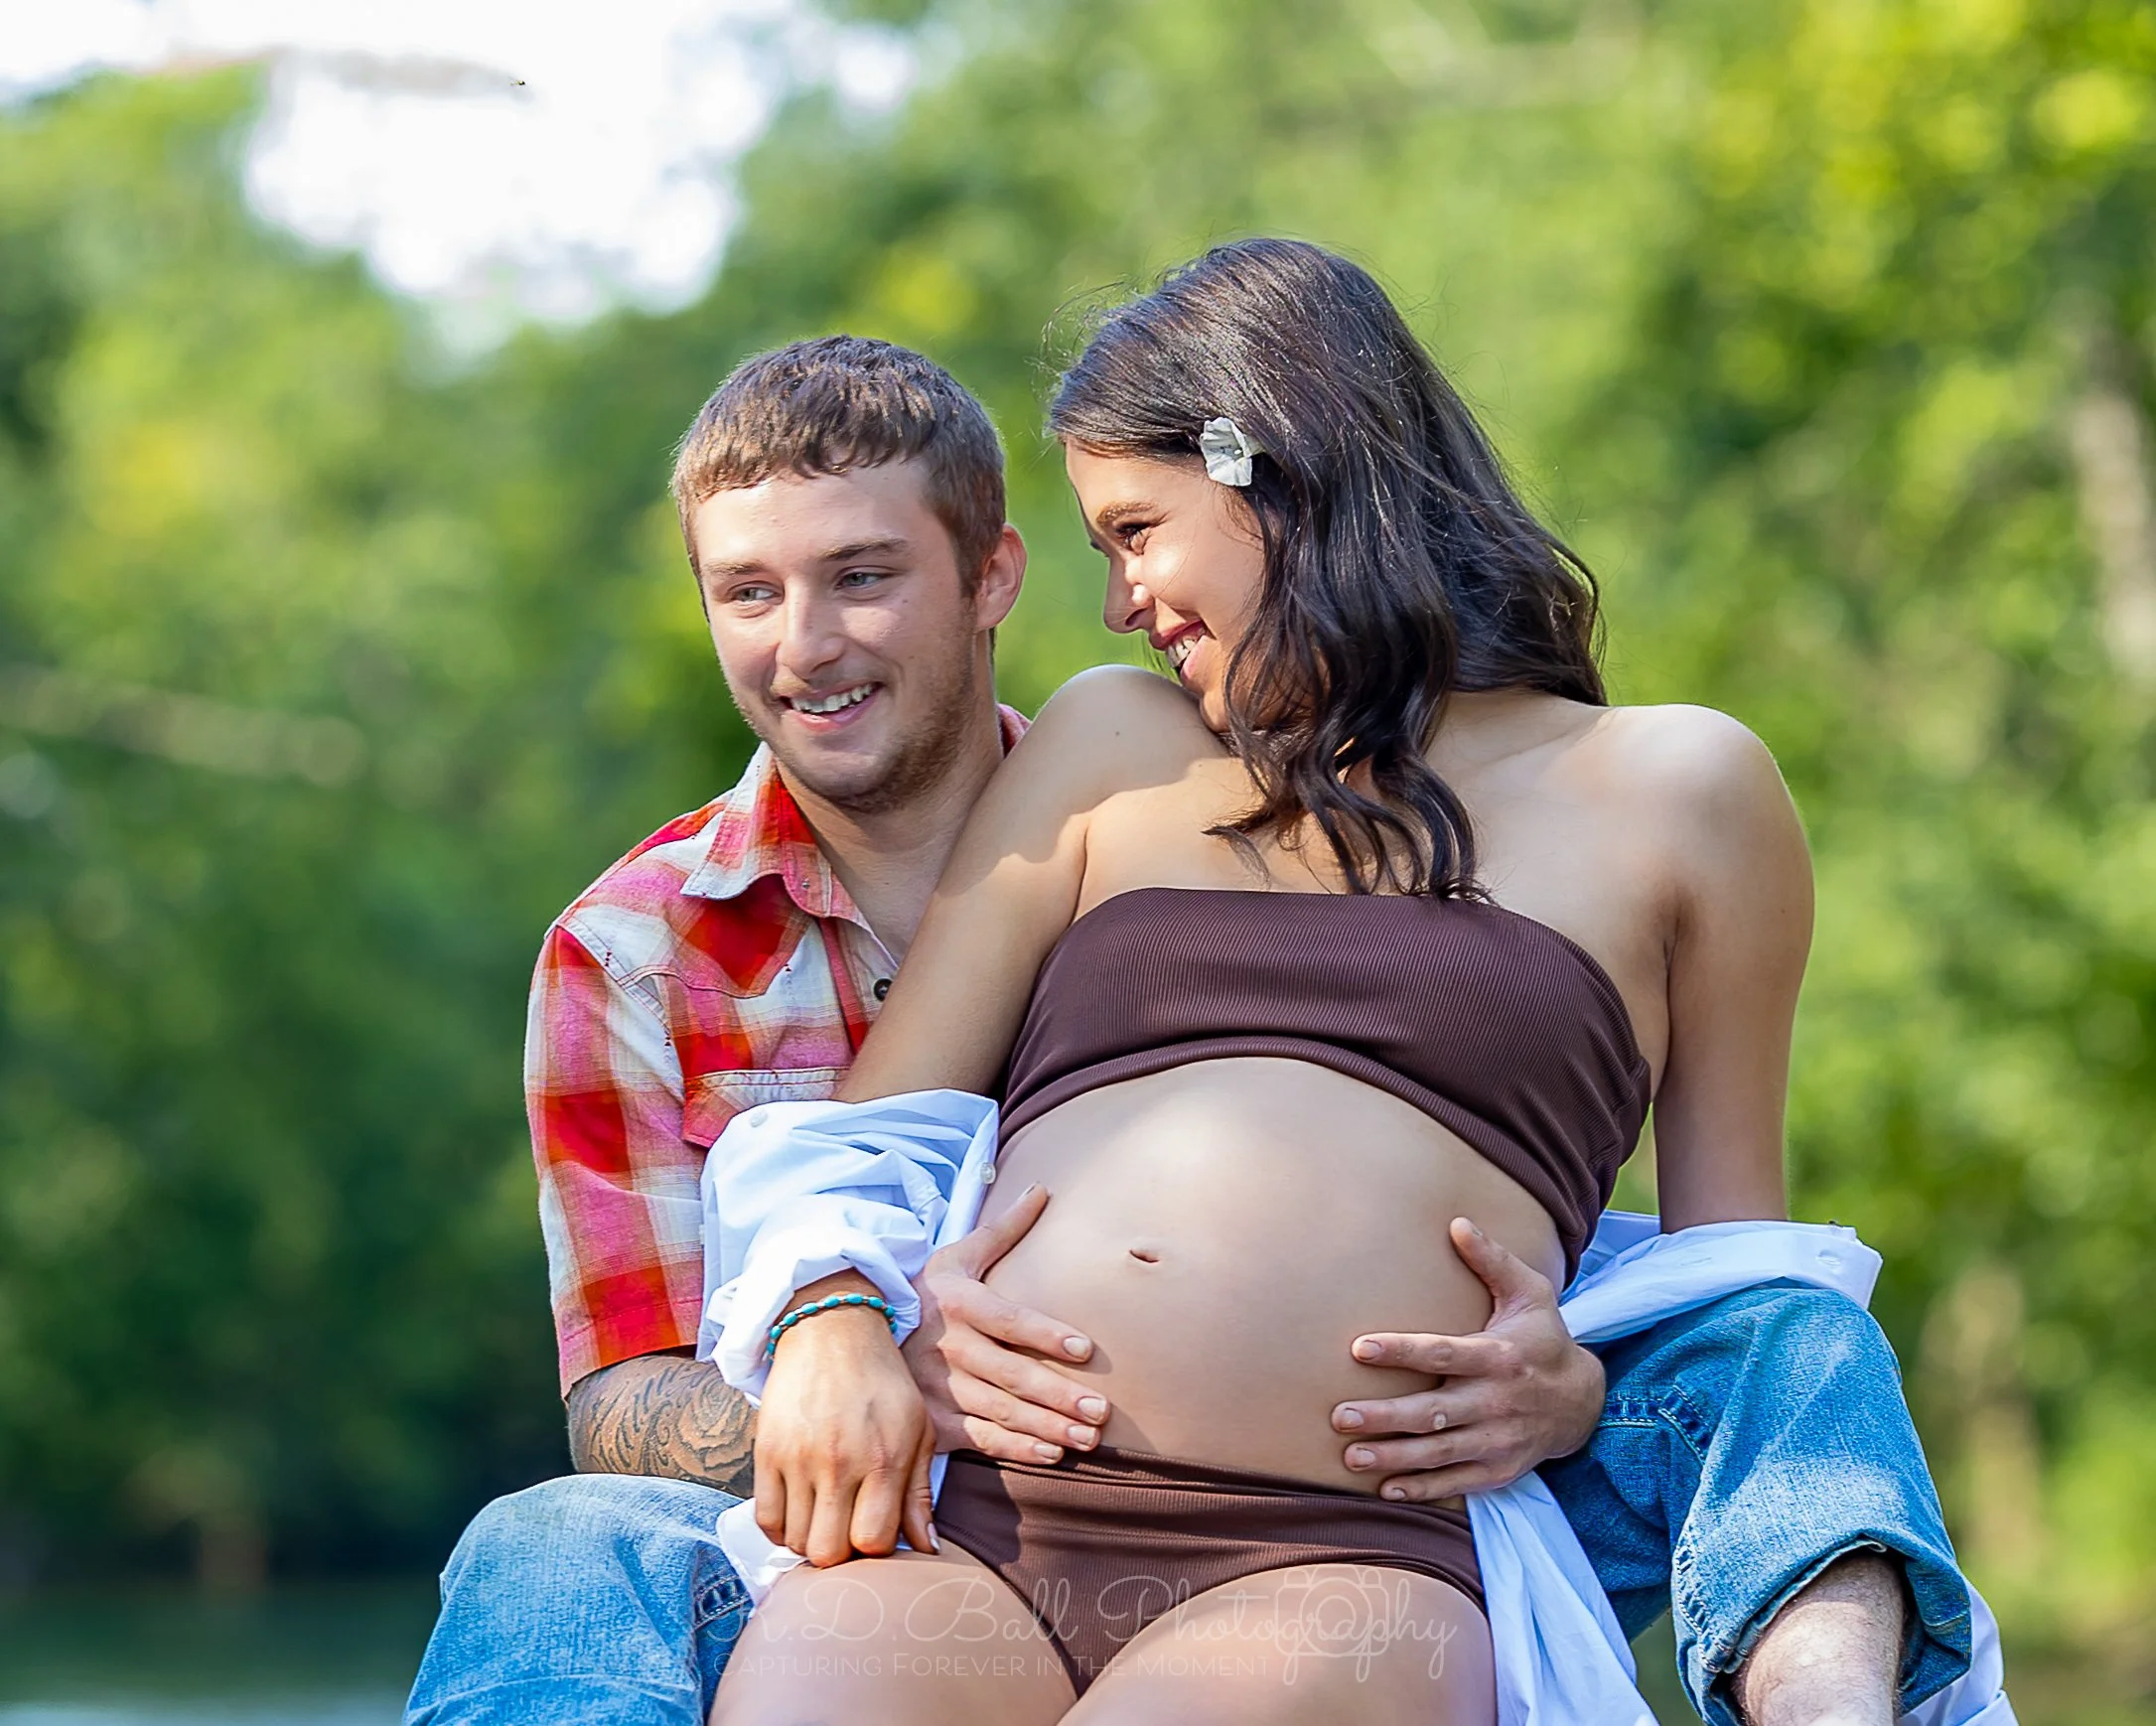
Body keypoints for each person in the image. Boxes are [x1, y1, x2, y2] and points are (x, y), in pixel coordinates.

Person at [405, 328, 1972, 1726]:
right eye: (747, 591)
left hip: (1336, 1539)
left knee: (1799, 1343)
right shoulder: (1074, 762)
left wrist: (1582, 1384)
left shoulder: (1676, 788)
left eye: (1136, 533)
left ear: (1275, 480)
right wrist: (835, 1330)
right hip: (967, 1521)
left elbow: (1731, 1287)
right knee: (577, 1565)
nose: (1120, 596)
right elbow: (827, 1174)